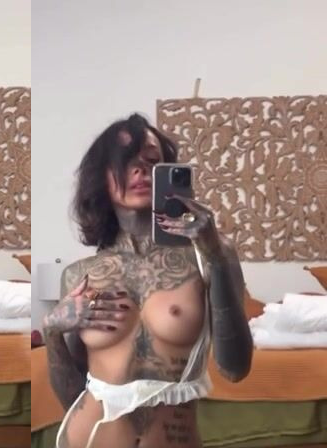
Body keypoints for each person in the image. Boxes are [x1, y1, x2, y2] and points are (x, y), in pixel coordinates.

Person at [44, 114, 253, 448]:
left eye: (152, 162)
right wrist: (52, 332)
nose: (140, 170)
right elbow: (72, 400)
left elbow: (236, 368)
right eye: (126, 162)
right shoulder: (79, 274)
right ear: (101, 177)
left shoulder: (208, 256)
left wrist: (215, 256)